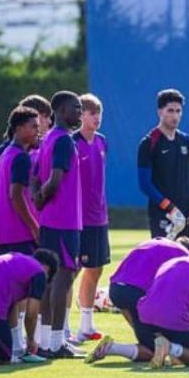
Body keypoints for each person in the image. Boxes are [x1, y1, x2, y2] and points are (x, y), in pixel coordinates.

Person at [87, 236, 189, 368]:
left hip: (118, 290)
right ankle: (171, 349)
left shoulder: (170, 260)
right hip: (142, 296)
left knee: (152, 344)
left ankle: (112, 348)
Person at [32, 91, 84, 359]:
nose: (80, 113)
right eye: (76, 108)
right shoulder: (63, 140)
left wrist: (38, 200)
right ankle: (55, 343)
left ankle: (44, 340)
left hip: (50, 219)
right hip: (64, 220)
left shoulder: (48, 138)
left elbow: (33, 177)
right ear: (62, 110)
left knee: (49, 279)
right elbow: (54, 180)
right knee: (62, 279)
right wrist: (42, 198)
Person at [137, 89, 189, 240]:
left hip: (188, 215)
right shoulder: (149, 143)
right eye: (170, 111)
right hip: (163, 214)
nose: (175, 115)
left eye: (178, 111)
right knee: (163, 259)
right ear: (160, 112)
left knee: (188, 260)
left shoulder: (187, 141)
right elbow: (145, 184)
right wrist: (170, 208)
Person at [73, 93, 110, 343]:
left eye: (98, 112)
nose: (96, 117)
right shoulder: (71, 143)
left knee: (95, 270)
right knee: (70, 272)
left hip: (99, 217)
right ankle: (59, 327)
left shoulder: (102, 142)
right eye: (90, 112)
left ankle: (86, 325)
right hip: (77, 219)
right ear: (80, 116)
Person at [0, 107, 42, 255]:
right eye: (33, 126)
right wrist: (34, 227)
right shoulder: (21, 157)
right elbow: (15, 195)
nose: (38, 131)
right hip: (21, 235)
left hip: (7, 235)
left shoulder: (6, 154)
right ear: (19, 129)